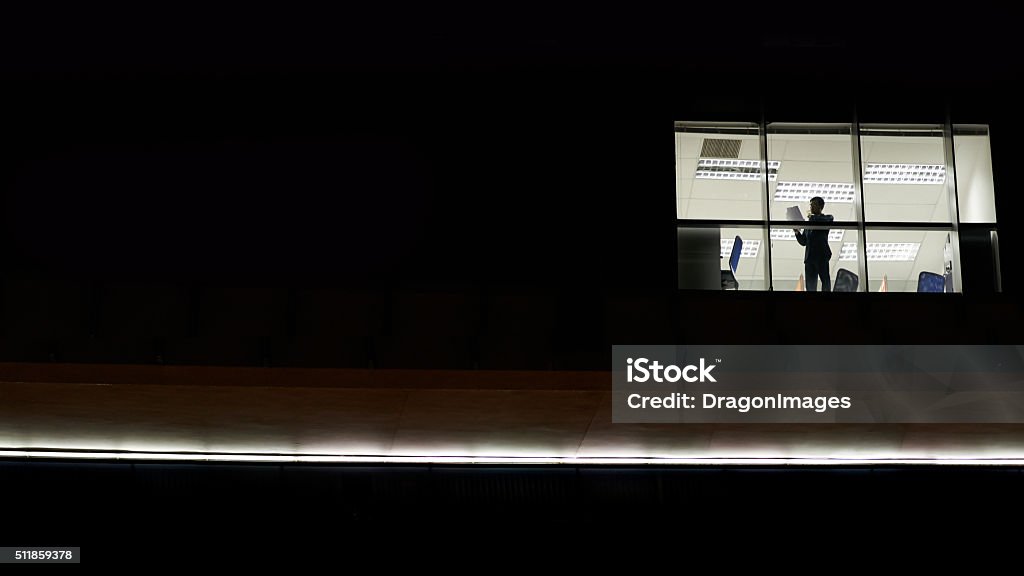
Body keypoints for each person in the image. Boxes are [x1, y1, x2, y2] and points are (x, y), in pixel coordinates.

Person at [792, 196, 834, 292]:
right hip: (810, 257)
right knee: (810, 285)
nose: (811, 207)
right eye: (810, 205)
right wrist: (797, 232)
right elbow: (803, 241)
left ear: (821, 206)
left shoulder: (826, 218)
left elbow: (828, 219)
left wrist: (812, 218)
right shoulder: (809, 223)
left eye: (814, 205)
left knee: (825, 281)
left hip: (821, 255)